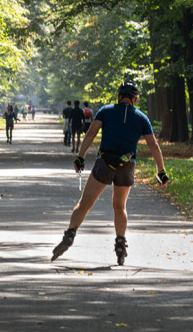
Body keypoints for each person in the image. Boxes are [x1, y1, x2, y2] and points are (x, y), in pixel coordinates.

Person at [51, 81, 170, 266]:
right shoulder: (141, 117)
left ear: (118, 96)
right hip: (127, 165)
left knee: (84, 204)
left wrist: (80, 157)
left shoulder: (105, 110)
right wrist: (161, 172)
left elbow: (91, 133)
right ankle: (120, 245)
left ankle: (70, 234)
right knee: (119, 207)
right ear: (135, 99)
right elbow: (154, 145)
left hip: (105, 163)